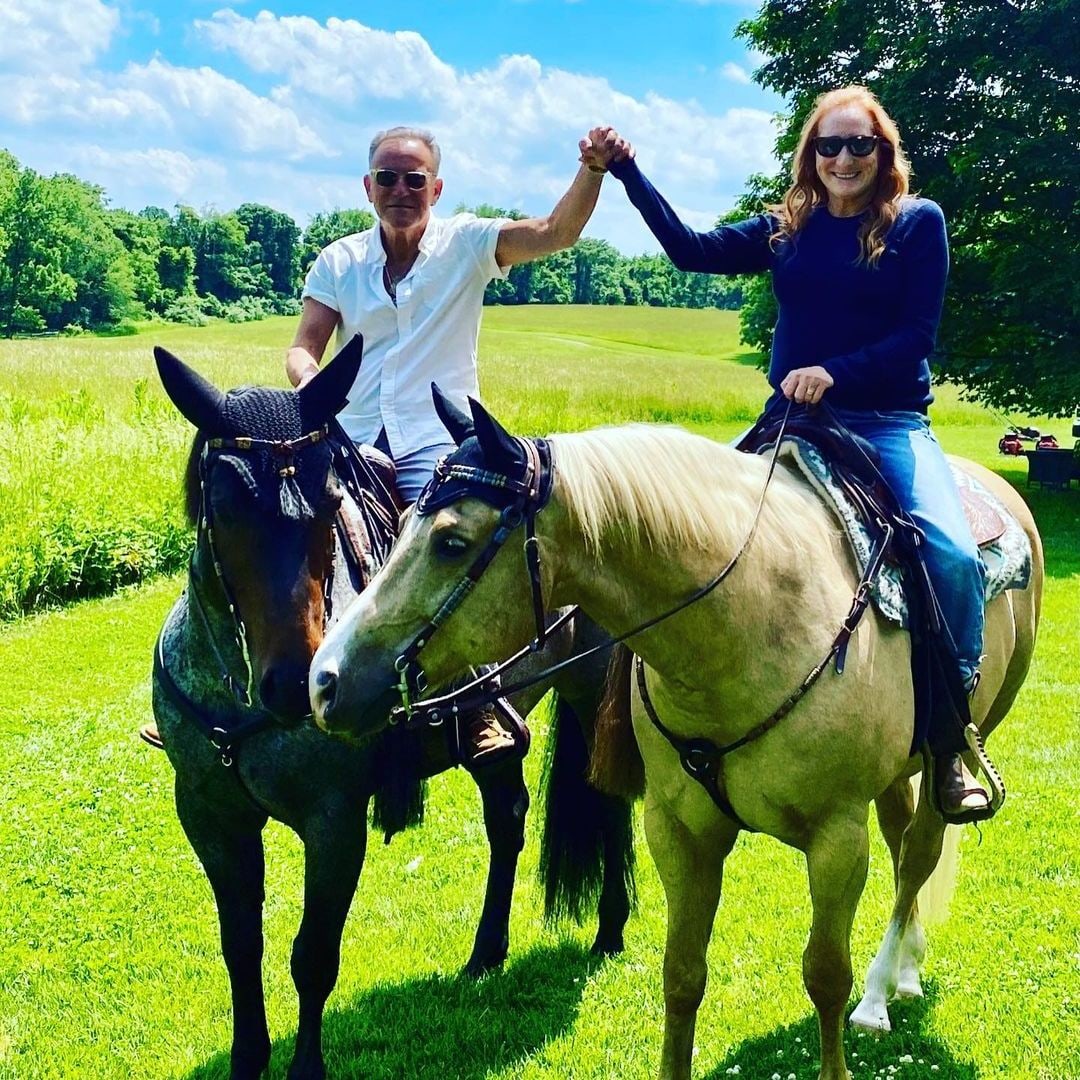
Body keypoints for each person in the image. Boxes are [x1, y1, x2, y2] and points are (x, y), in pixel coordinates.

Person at [581, 88, 991, 823]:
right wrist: (628, 173)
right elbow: (692, 252)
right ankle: (642, 725)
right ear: (810, 154)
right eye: (827, 146)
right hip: (790, 421)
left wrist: (837, 372)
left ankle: (951, 738)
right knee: (682, 539)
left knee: (952, 555)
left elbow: (916, 337)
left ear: (883, 152)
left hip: (886, 420)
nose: (842, 159)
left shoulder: (916, 225)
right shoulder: (787, 229)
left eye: (858, 146)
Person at [286, 125, 609, 767]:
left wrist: (593, 169)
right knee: (273, 528)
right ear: (368, 186)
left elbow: (555, 233)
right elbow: (304, 346)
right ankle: (249, 686)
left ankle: (483, 705)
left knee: (460, 557)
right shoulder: (338, 262)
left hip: (440, 444)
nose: (401, 190)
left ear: (436, 186)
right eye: (388, 178)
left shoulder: (466, 244)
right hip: (352, 438)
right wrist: (311, 384)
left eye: (414, 180)